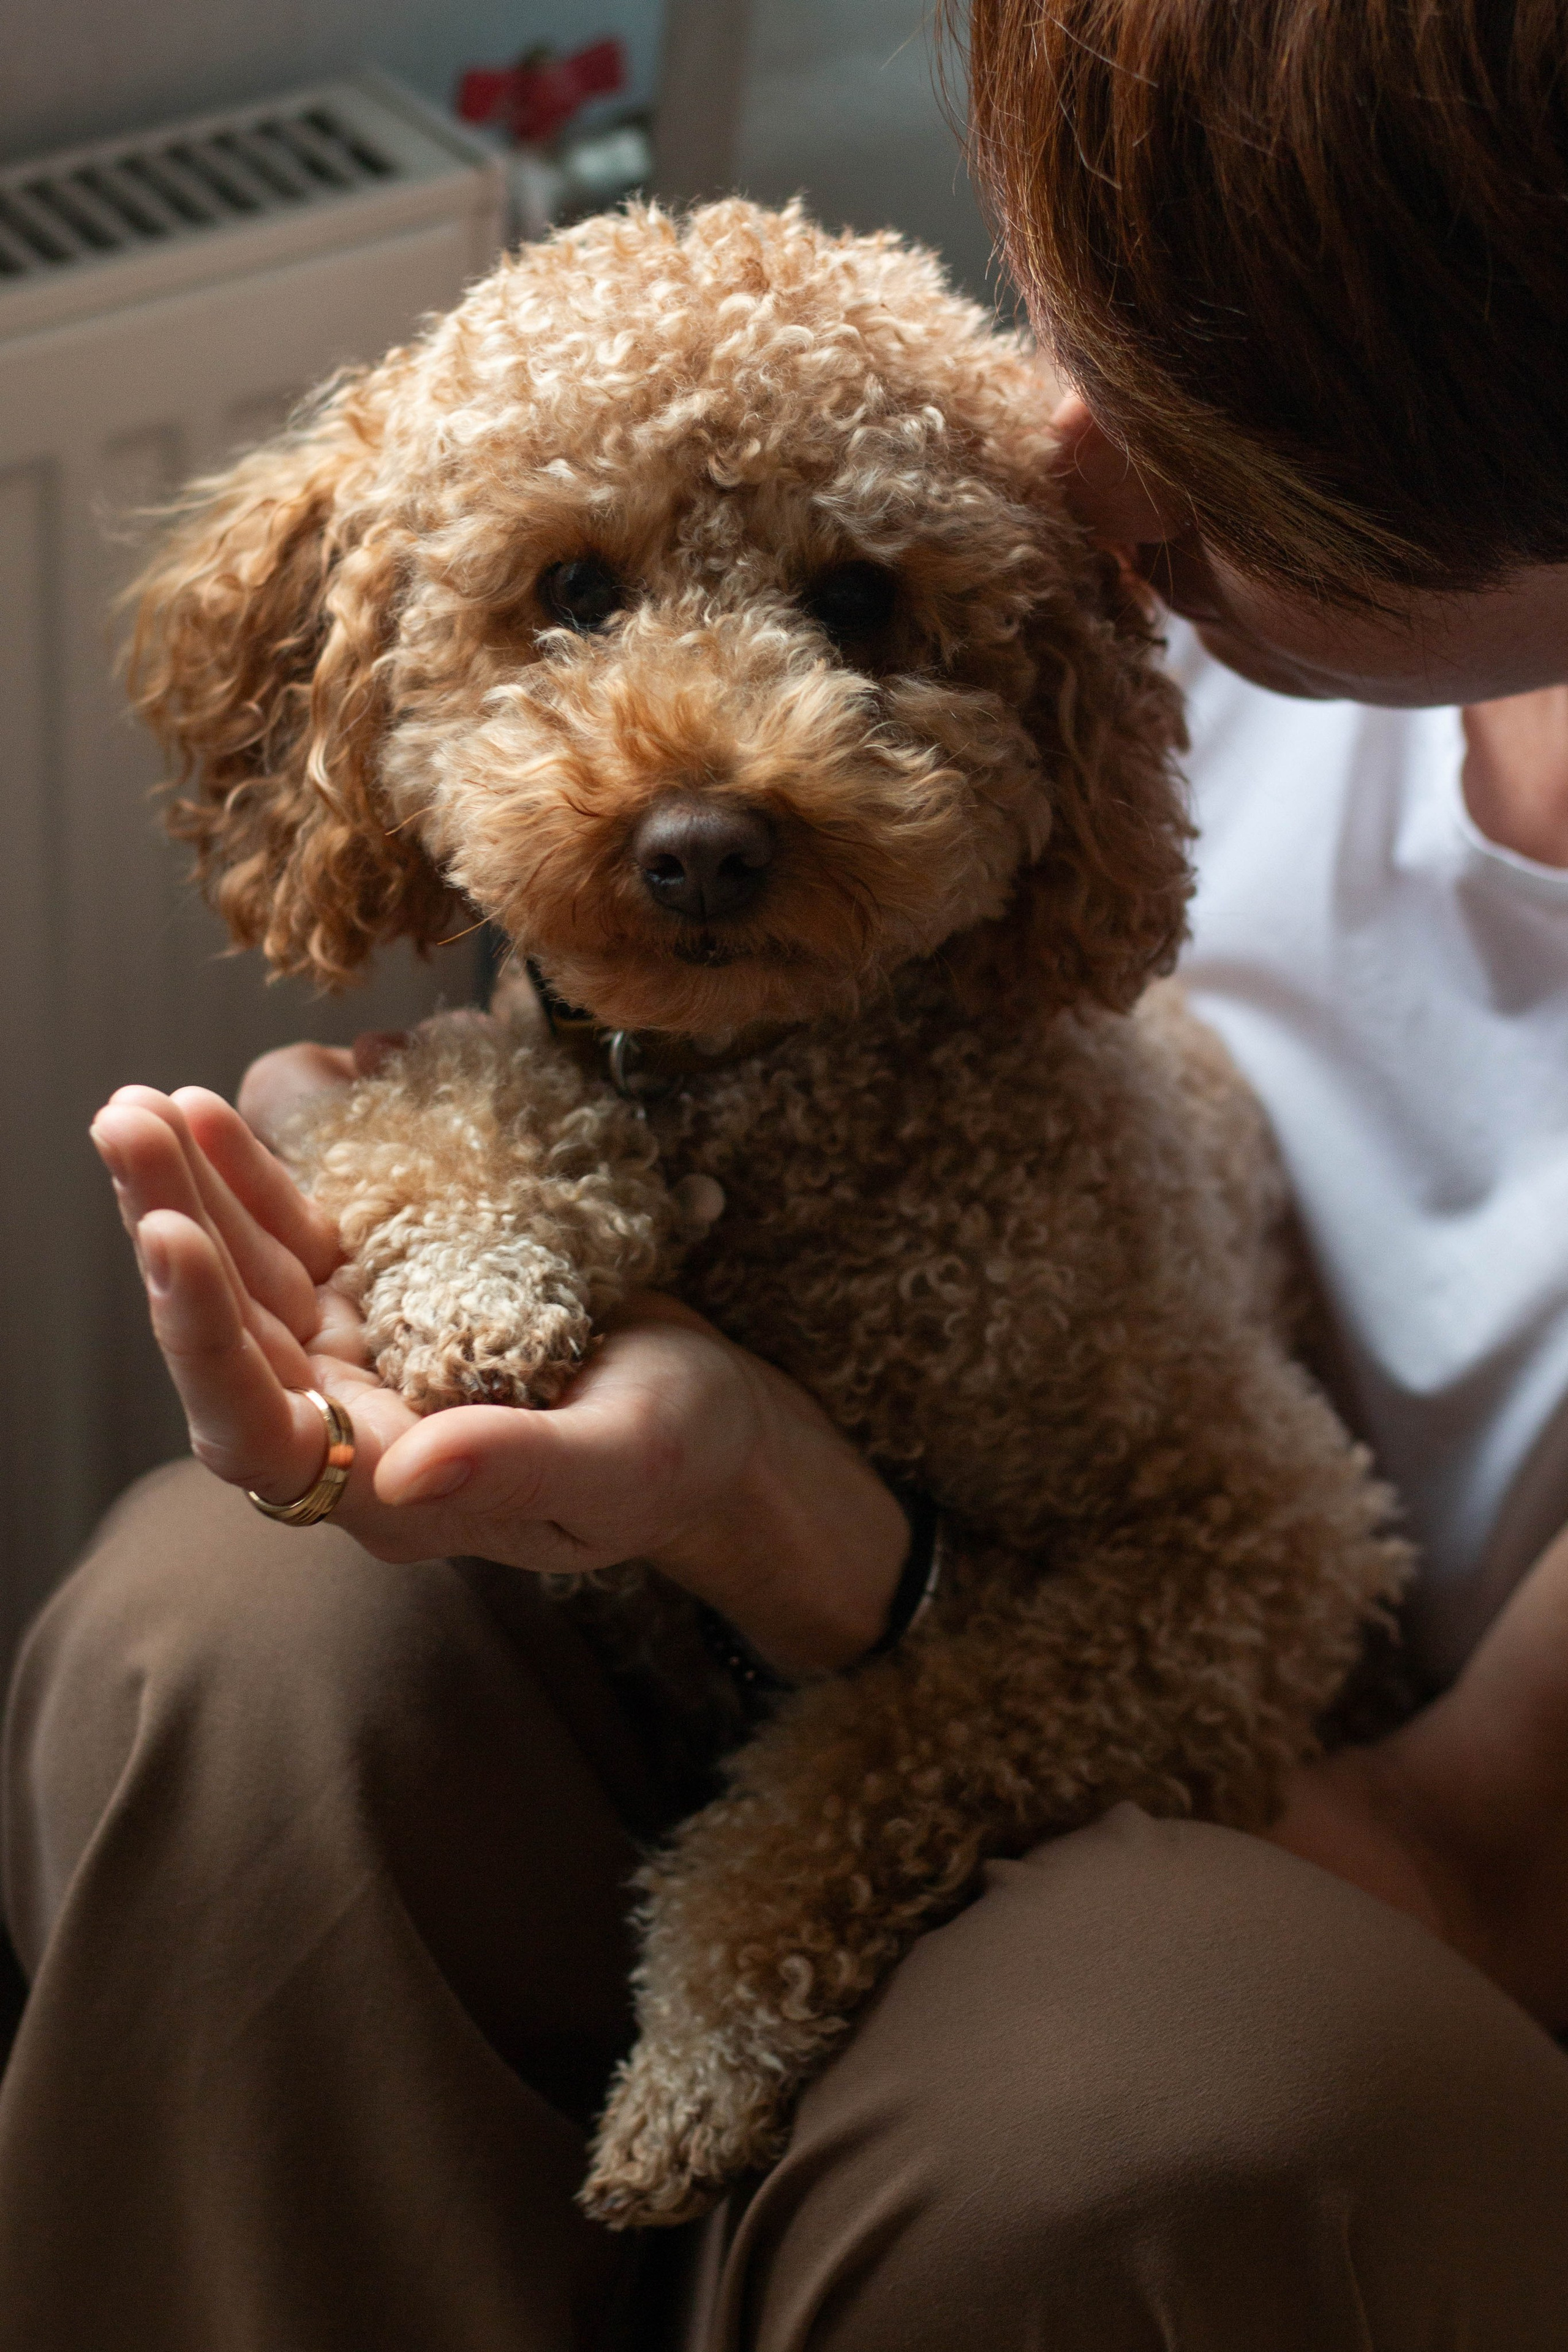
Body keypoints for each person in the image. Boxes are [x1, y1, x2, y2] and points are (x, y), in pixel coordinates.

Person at [4, 0, 1568, 2340]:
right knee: (235, 1639)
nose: (1068, 450)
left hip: (1294, 1789)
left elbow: (1462, 1871)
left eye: (1242, 414)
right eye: (1077, 306)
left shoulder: (1050, 628)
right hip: (867, 1518)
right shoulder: (1100, 536)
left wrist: (776, 1514)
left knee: (1126, 2096)